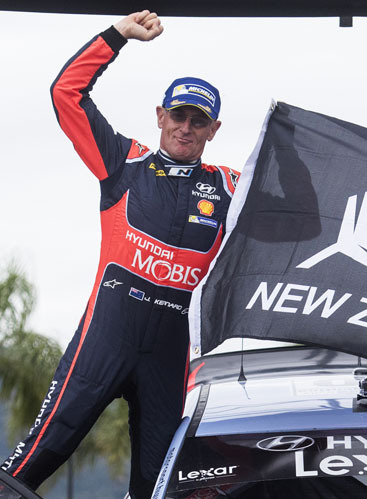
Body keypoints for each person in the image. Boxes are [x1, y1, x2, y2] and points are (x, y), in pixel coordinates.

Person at [1, 11, 240, 498]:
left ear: (213, 129)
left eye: (198, 121)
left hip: (170, 360)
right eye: (178, 115)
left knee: (159, 489)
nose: (186, 127)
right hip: (104, 343)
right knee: (26, 465)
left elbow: (299, 213)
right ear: (160, 116)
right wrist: (118, 36)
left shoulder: (230, 186)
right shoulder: (123, 161)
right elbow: (65, 94)